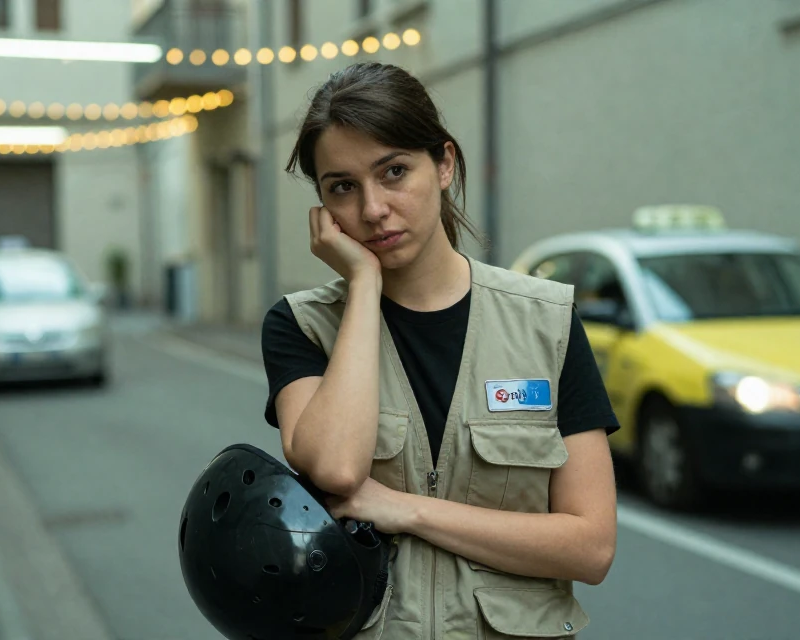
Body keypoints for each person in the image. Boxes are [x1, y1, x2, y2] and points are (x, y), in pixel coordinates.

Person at [261, 62, 619, 639]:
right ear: (323, 206)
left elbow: (591, 546)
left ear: (445, 164)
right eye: (343, 188)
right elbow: (334, 466)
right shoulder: (300, 326)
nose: (373, 209)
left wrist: (409, 510)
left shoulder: (545, 321)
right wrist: (364, 287)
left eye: (394, 171)